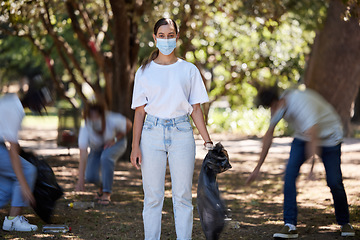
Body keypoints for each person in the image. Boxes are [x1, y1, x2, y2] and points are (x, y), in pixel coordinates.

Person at [130, 18, 213, 240]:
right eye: (162, 35)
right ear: (155, 38)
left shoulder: (189, 70)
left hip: (182, 133)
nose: (166, 39)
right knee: (153, 197)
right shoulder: (144, 71)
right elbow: (139, 112)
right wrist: (134, 147)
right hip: (151, 134)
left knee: (183, 196)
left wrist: (208, 142)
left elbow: (196, 110)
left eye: (171, 35)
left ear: (177, 37)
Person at [246, 87, 355, 238]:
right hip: (303, 138)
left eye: (272, 107)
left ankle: (345, 223)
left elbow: (314, 136)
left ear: (277, 102)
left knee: (334, 181)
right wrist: (257, 168)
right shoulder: (279, 105)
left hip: (330, 137)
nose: (272, 112)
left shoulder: (300, 104)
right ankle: (290, 225)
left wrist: (311, 168)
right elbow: (268, 136)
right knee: (289, 175)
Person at [0, 90, 48, 231]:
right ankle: (13, 221)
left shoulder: (12, 101)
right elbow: (13, 151)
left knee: (7, 188)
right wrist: (25, 184)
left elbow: (10, 140)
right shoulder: (16, 110)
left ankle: (11, 220)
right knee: (28, 170)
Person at [75, 103, 132, 205]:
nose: (94, 119)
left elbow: (128, 124)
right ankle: (103, 185)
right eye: (91, 116)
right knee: (90, 176)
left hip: (116, 142)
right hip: (97, 148)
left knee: (106, 157)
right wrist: (80, 181)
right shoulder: (85, 126)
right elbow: (83, 154)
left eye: (96, 116)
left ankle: (106, 193)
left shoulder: (112, 118)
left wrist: (115, 139)